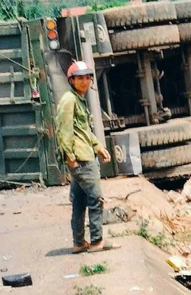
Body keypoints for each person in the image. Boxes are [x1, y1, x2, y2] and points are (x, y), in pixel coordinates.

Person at [56, 61, 120, 254]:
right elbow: (64, 130)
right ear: (71, 80)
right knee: (96, 199)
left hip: (85, 154)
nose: (84, 81)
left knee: (79, 202)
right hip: (81, 159)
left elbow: (82, 129)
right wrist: (70, 157)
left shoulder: (77, 99)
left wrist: (98, 147)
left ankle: (79, 242)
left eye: (87, 77)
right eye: (80, 78)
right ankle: (96, 240)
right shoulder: (69, 100)